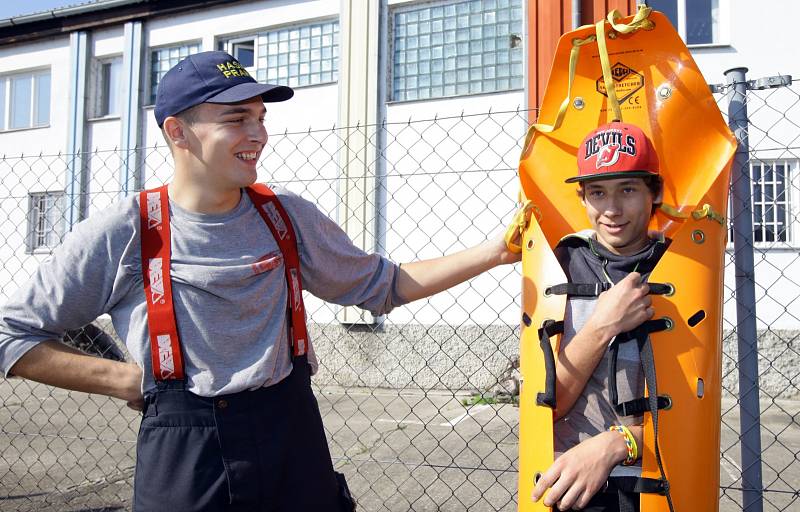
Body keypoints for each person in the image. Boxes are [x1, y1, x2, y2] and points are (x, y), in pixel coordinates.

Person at [0, 51, 520, 511]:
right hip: (186, 453)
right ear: (177, 132)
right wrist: (123, 380)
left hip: (291, 433)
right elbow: (10, 334)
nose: (259, 135)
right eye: (237, 119)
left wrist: (496, 252)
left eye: (260, 118)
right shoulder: (126, 230)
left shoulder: (286, 216)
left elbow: (385, 285)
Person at [530, 121, 669, 511]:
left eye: (627, 189)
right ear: (582, 197)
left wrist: (618, 442)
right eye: (597, 192)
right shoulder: (560, 265)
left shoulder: (683, 268)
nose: (610, 210)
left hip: (659, 481)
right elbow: (547, 405)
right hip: (567, 480)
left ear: (654, 192)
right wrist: (604, 323)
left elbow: (694, 412)